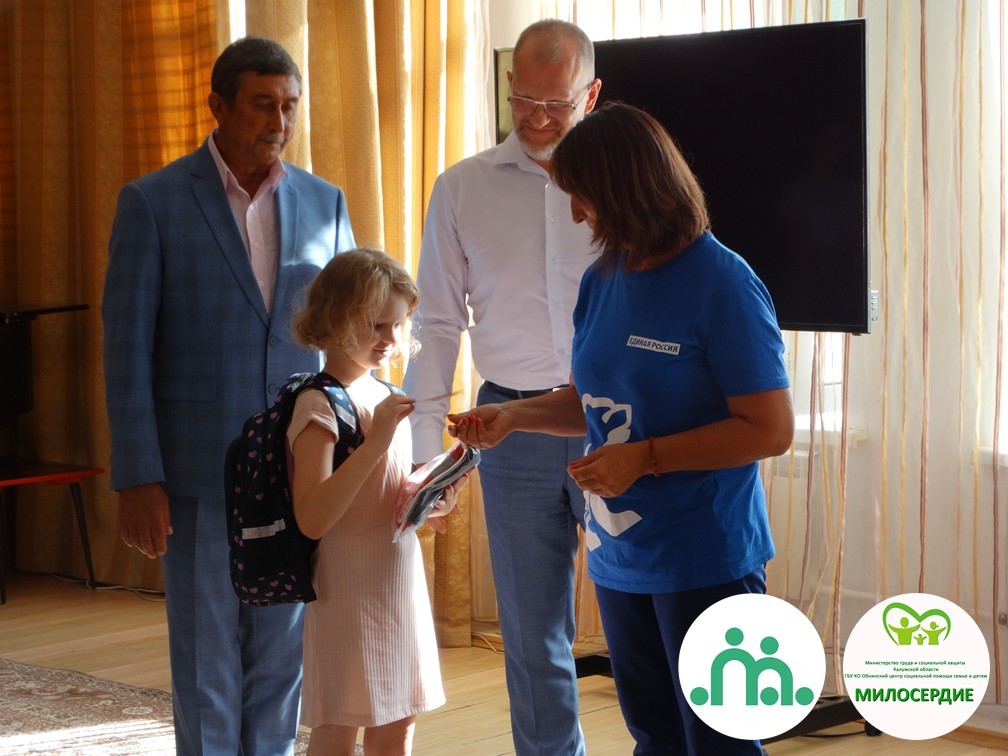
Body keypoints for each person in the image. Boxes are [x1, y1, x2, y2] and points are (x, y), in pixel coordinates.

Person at [447, 102, 795, 755]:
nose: (579, 215)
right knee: (654, 737)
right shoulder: (603, 279)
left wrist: (646, 458)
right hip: (621, 559)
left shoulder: (724, 285)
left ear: (629, 190)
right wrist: (515, 416)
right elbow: (591, 401)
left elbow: (770, 430)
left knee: (719, 743)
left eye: (584, 197)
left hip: (705, 556)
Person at [102, 37, 355, 755]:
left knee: (280, 659)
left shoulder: (325, 202)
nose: (279, 121)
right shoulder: (152, 203)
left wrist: (362, 449)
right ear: (217, 105)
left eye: (290, 106)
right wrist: (139, 476)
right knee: (207, 659)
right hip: (195, 473)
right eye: (262, 104)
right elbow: (126, 349)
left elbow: (349, 340)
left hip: (297, 472)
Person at [402, 18, 601, 756]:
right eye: (524, 100)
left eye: (558, 104)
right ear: (507, 85)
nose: (538, 119)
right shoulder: (462, 188)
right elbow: (436, 325)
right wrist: (428, 458)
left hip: (611, 419)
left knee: (644, 612)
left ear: (591, 95)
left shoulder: (623, 186)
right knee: (530, 630)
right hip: (510, 424)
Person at [288, 248, 452, 756]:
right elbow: (312, 517)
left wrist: (428, 498)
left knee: (399, 721)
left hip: (396, 577)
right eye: (375, 325)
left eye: (398, 325)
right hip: (347, 586)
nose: (390, 338)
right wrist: (376, 440)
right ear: (334, 319)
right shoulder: (317, 404)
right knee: (340, 723)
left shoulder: (385, 394)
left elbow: (381, 493)